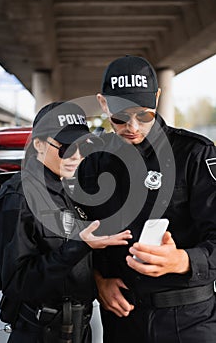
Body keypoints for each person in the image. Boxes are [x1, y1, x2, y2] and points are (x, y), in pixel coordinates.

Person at [75, 56, 216, 343]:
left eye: (144, 115)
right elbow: (76, 236)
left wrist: (183, 260)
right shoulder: (93, 163)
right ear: (103, 104)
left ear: (157, 99)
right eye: (120, 117)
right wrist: (98, 281)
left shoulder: (195, 154)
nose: (133, 127)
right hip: (123, 322)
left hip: (190, 320)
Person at [0, 101, 132, 343]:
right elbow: (19, 284)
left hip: (80, 329)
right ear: (38, 145)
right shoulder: (19, 198)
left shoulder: (72, 188)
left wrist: (101, 280)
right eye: (66, 148)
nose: (76, 156)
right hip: (41, 332)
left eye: (81, 146)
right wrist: (80, 245)